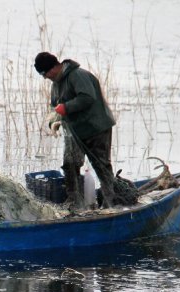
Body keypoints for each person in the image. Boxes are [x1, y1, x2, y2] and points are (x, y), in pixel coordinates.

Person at [34, 51, 117, 209]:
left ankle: (110, 201)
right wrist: (54, 120)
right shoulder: (56, 84)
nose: (45, 78)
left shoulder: (77, 75)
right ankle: (75, 201)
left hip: (96, 127)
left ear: (52, 68)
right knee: (70, 164)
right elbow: (55, 107)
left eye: (44, 74)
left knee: (101, 165)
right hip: (75, 131)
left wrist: (66, 107)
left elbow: (87, 97)